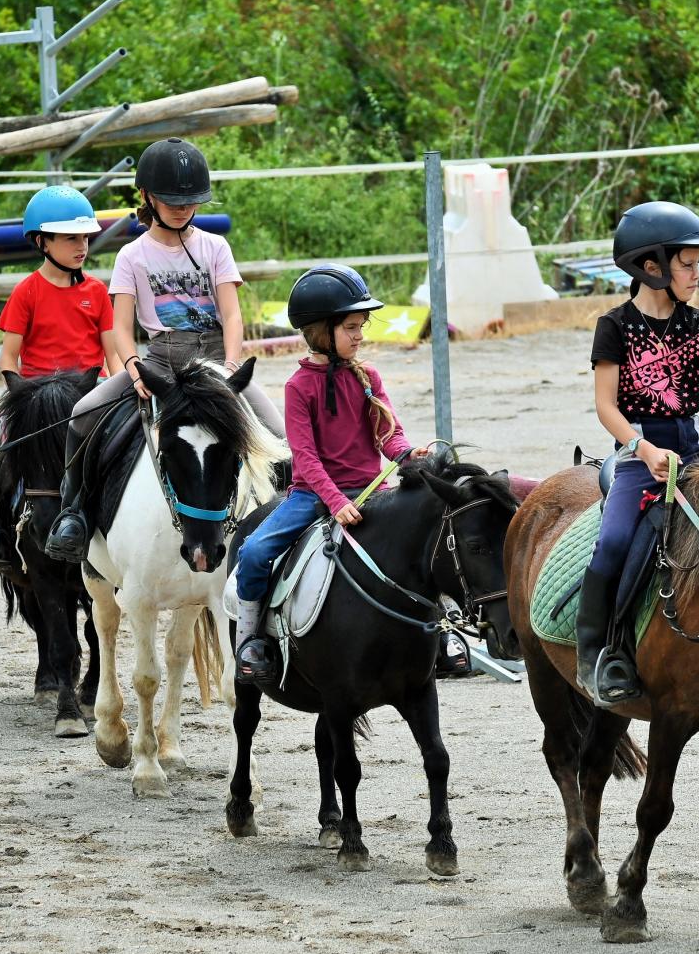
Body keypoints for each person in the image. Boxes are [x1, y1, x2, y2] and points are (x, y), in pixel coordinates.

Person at [45, 137, 283, 562]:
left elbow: (231, 315)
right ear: (147, 197)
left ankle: (288, 517)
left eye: (190, 200)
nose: (182, 208)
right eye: (172, 200)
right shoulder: (132, 255)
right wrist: (134, 368)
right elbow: (120, 326)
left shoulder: (215, 247)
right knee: (83, 413)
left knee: (280, 435)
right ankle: (74, 513)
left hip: (214, 364)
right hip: (159, 361)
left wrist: (229, 368)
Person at [233, 265, 430, 689]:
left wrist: (408, 453)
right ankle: (250, 641)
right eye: (352, 327)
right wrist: (336, 500)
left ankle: (442, 632)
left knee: (426, 536)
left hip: (371, 491)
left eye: (361, 326)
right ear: (322, 332)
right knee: (252, 552)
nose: (360, 335)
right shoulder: (298, 386)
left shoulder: (368, 377)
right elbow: (304, 457)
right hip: (313, 496)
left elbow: (389, 435)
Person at [577, 200, 699, 705]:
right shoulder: (614, 326)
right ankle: (598, 654)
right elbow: (605, 407)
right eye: (687, 265)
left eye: (697, 265)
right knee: (612, 543)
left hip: (694, 449)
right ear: (652, 267)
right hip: (636, 454)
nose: (698, 274)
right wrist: (643, 449)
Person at [0, 185, 120, 573]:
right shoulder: (26, 292)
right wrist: (22, 397)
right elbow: (8, 356)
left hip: (88, 394)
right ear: (42, 241)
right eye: (70, 238)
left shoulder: (97, 293)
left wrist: (122, 389)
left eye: (85, 237)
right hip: (37, 396)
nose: (82, 246)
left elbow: (113, 353)